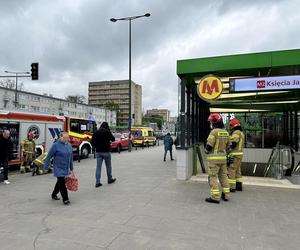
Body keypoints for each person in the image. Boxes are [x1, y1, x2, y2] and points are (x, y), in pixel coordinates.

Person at [205, 113, 230, 204]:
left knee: (213, 177)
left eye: (211, 122)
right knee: (224, 177)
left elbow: (209, 145)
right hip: (223, 159)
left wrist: (206, 151)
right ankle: (226, 195)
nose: (211, 123)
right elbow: (229, 146)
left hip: (214, 160)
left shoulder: (214, 132)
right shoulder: (225, 132)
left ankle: (215, 197)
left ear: (214, 122)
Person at [44, 132, 73, 205]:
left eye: (67, 138)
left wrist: (71, 168)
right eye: (65, 138)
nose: (67, 139)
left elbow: (70, 157)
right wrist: (46, 167)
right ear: (60, 137)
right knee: (62, 183)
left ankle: (54, 194)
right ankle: (65, 199)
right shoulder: (55, 145)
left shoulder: (69, 145)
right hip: (58, 167)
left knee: (59, 182)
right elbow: (49, 156)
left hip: (66, 167)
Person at [91, 122, 116, 188]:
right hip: (106, 151)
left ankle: (97, 182)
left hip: (98, 152)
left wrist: (96, 146)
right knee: (108, 166)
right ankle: (109, 179)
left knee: (98, 167)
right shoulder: (107, 132)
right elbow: (113, 139)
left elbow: (92, 141)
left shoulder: (96, 132)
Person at [228, 118, 245, 192]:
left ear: (233, 125)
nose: (230, 127)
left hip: (235, 154)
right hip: (240, 154)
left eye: (231, 126)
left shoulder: (236, 133)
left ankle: (232, 187)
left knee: (231, 170)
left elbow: (233, 143)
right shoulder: (241, 133)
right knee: (238, 170)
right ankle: (239, 185)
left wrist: (227, 149)